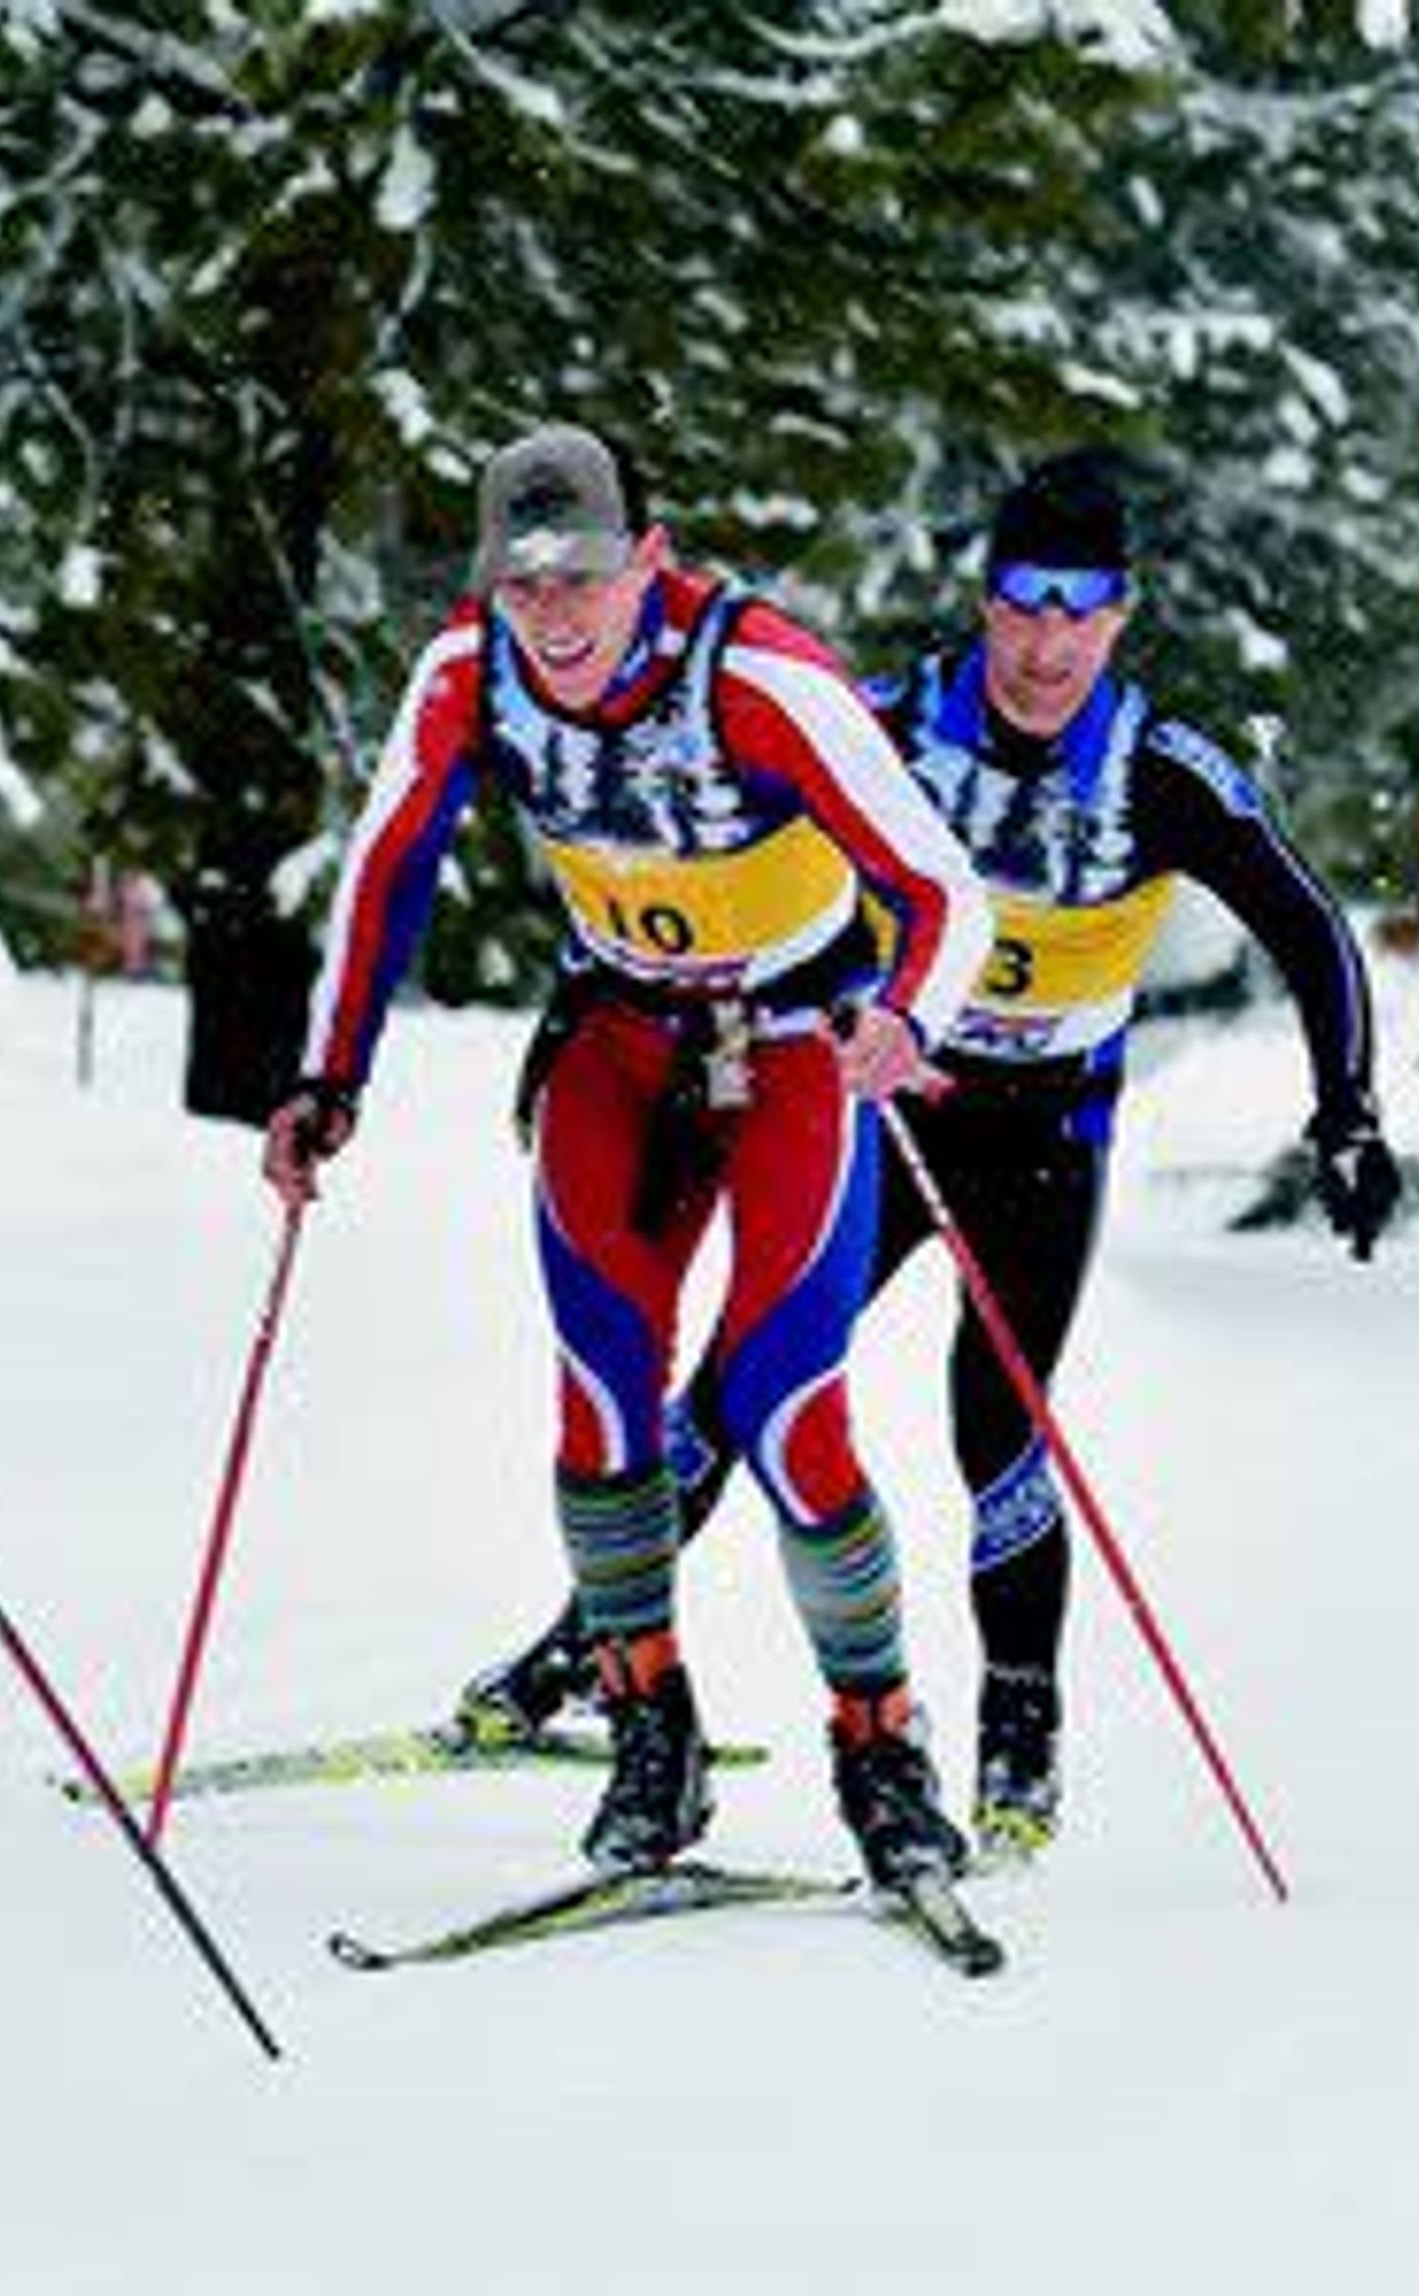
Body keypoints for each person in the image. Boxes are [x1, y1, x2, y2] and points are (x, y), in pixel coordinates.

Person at [459, 450, 1396, 1863]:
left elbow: (1312, 928)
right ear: (988, 599)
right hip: (884, 1106)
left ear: (1121, 617)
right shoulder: (888, 721)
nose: (1044, 643)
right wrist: (590, 994)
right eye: (1022, 603)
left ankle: (1020, 1722)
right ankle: (595, 1649)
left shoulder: (1162, 772)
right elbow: (690, 876)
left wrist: (1351, 1113)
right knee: (740, 1387)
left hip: (1044, 1130)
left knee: (997, 1423)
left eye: (1079, 611)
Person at [267, 423, 996, 1895]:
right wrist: (325, 1078)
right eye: (521, 580)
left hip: (793, 1043)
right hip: (620, 1044)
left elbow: (945, 890)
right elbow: (387, 864)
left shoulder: (760, 672)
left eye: (583, 573)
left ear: (646, 559)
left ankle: (879, 1736)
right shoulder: (470, 672)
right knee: (600, 1396)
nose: (555, 610)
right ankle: (646, 1717)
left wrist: (907, 1015)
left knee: (790, 1406)